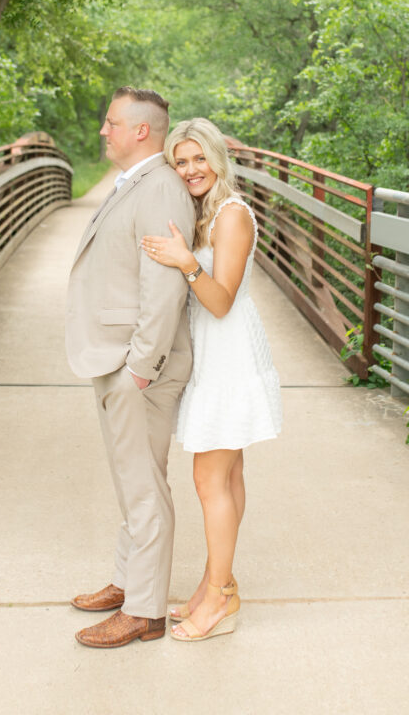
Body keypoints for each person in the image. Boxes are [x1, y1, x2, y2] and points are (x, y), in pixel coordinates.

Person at [141, 117, 282, 642]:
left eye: (200, 158)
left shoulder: (232, 215)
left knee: (208, 480)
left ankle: (219, 598)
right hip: (216, 355)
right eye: (181, 161)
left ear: (218, 159)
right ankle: (215, 583)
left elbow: (220, 301)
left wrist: (184, 264)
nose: (191, 169)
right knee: (228, 476)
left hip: (230, 357)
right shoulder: (206, 213)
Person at [65, 87, 196, 649]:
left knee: (144, 486)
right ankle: (127, 581)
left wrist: (139, 368)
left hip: (137, 365)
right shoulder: (137, 182)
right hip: (118, 357)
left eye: (111, 121)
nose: (103, 130)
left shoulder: (162, 187)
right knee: (130, 478)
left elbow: (164, 287)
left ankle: (145, 610)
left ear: (141, 130)